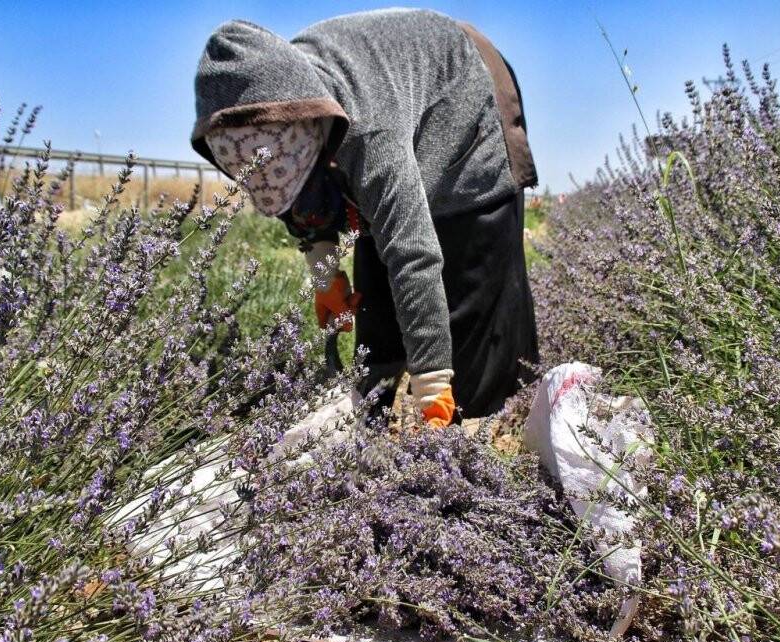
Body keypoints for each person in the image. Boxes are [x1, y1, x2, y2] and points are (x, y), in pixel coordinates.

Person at [191, 8, 539, 427]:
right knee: (376, 317)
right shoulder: (273, 110)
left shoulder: (368, 131)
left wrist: (432, 383)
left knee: (471, 316)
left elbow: (412, 255)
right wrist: (324, 274)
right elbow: (306, 201)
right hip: (385, 93)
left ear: (317, 129)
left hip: (464, 89)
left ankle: (493, 426)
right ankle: (375, 418)